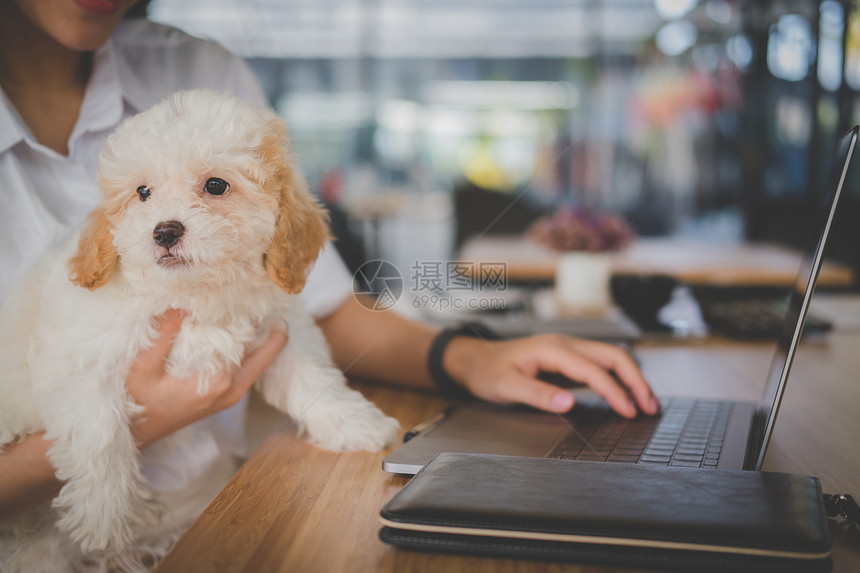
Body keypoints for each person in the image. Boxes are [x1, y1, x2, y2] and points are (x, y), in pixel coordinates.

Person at [0, 0, 659, 523]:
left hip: (220, 510)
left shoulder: (199, 71)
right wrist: (136, 422)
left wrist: (468, 358)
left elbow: (317, 305)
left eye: (214, 187)